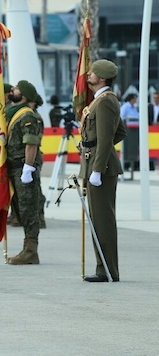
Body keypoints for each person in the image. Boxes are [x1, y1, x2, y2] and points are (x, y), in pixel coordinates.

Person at [79, 59, 126, 282]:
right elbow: (120, 132)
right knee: (97, 219)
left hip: (101, 169)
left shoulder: (106, 102)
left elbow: (108, 137)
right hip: (95, 164)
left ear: (103, 77)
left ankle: (107, 271)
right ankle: (103, 268)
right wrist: (93, 147)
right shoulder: (100, 101)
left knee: (103, 220)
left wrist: (99, 167)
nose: (89, 74)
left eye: (93, 72)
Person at [5, 80, 44, 265]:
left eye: (17, 89)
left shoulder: (27, 116)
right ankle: (27, 247)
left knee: (28, 209)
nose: (13, 90)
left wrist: (28, 167)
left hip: (23, 167)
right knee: (20, 210)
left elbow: (31, 142)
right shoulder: (10, 113)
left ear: (25, 95)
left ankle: (30, 250)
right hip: (12, 167)